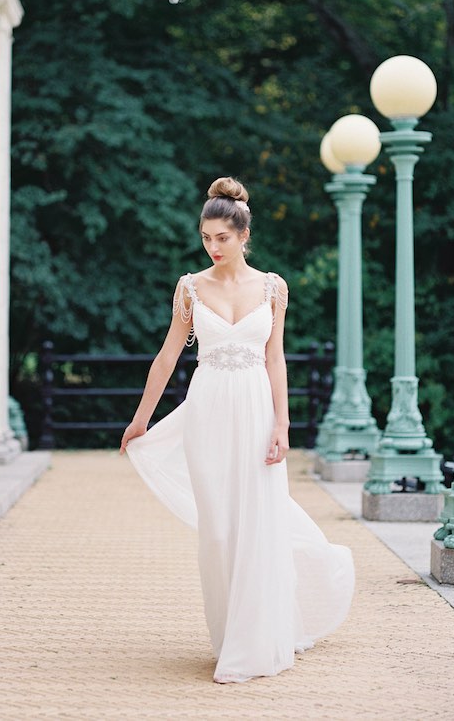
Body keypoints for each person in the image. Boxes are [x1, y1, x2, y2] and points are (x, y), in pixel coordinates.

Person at [120, 176, 354, 684]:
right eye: (206, 237)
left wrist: (283, 425)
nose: (213, 246)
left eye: (221, 238)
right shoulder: (190, 287)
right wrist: (143, 418)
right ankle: (228, 636)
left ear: (244, 236)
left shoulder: (273, 287)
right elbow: (166, 357)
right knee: (220, 530)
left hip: (255, 411)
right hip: (207, 409)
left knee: (258, 524)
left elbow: (275, 358)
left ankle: (257, 641)